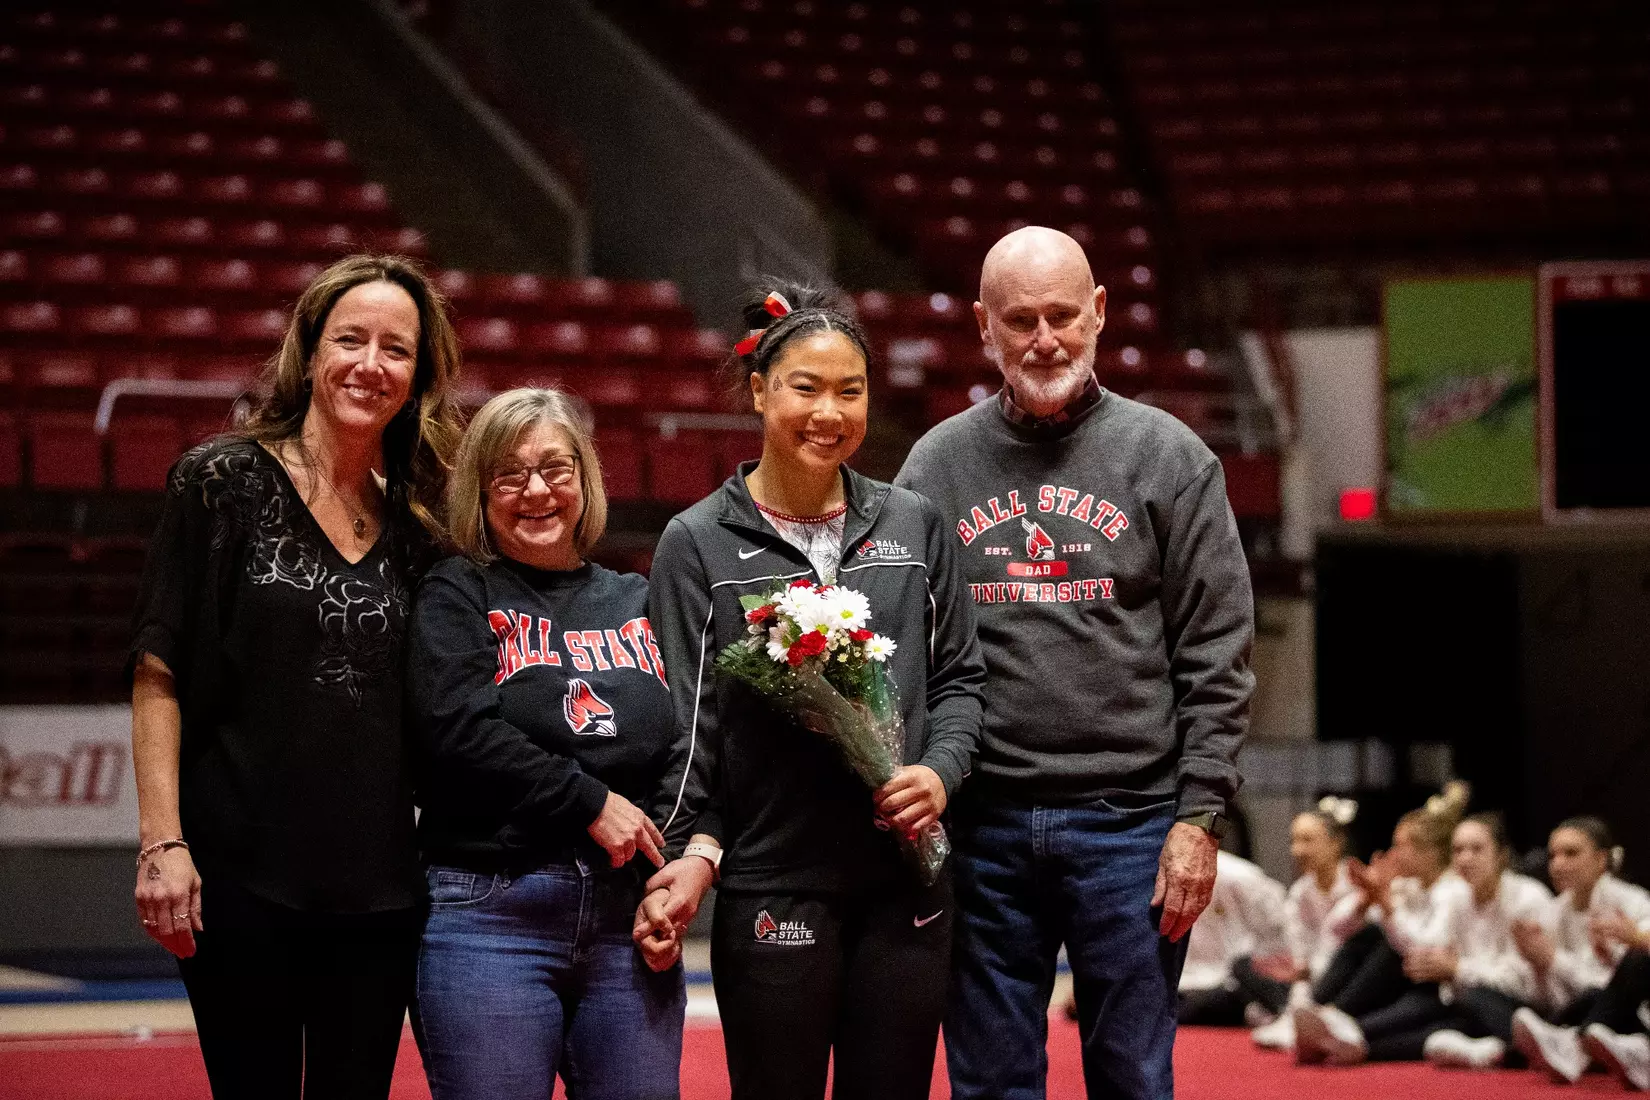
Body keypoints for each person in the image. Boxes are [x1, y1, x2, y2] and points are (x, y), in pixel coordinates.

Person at [893, 225, 1254, 1100]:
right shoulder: (935, 466)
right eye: (1021, 321)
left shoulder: (1172, 457)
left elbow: (1217, 651)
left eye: (1063, 315)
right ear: (984, 327)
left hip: (1130, 825)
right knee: (991, 1081)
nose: (1044, 338)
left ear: (1098, 314)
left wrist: (1198, 818)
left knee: (1132, 1077)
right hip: (980, 829)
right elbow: (904, 650)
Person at [638, 280, 987, 1100]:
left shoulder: (914, 525)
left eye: (851, 391)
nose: (829, 411)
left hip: (908, 887)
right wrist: (689, 851)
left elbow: (962, 681)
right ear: (758, 390)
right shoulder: (697, 543)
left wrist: (939, 774)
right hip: (773, 881)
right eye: (806, 387)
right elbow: (691, 725)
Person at [129, 254, 464, 1098]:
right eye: (350, 338)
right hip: (240, 883)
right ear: (309, 352)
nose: (370, 364)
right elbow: (158, 674)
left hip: (381, 893)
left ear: (420, 374)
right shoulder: (221, 482)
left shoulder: (424, 529)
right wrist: (162, 844)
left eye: (397, 348)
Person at [406, 388, 688, 1100]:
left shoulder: (635, 597)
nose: (537, 490)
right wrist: (588, 800)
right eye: (509, 474)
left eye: (556, 469)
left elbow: (681, 742)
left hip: (629, 921)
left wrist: (673, 872)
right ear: (481, 490)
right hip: (490, 912)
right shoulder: (458, 591)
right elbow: (455, 730)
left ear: (585, 479)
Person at [1296, 810, 1554, 1069]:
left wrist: (1456, 969)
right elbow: (1343, 930)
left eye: (1476, 849)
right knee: (1394, 1036)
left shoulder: (1527, 897)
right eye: (1459, 850)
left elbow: (1527, 986)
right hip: (1457, 998)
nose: (1465, 858)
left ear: (1501, 855)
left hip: (1511, 1008)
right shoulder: (1458, 896)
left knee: (1465, 998)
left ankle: (1335, 1021)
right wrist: (1369, 898)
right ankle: (1335, 1033)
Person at [1288, 783, 1465, 1063]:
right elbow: (1337, 928)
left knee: (1372, 1027)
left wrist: (1385, 904)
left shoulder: (1452, 892)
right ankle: (1324, 1012)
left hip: (1436, 993)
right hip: (1406, 986)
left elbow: (1424, 952)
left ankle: (1333, 1020)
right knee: (1369, 934)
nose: (1393, 853)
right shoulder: (1409, 887)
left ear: (1429, 852)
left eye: (1400, 846)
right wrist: (1367, 898)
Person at [1512, 817, 1650, 1086]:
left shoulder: (1632, 902)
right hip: (1590, 1014)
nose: (1558, 864)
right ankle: (1579, 1044)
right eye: (1553, 855)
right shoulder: (1552, 912)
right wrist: (1538, 965)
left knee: (1632, 963)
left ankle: (1573, 1047)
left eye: (1571, 854)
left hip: (1626, 1012)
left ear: (1601, 859)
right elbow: (1552, 999)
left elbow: (1616, 985)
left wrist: (1636, 938)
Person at [1242, 798, 1362, 1048]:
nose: (1297, 850)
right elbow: (1300, 960)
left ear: (1336, 842)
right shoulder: (1299, 894)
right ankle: (1293, 1014)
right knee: (1243, 966)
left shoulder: (1358, 886)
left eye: (1307, 840)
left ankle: (1303, 1016)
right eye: (1294, 841)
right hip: (1310, 981)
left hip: (1349, 981)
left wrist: (1305, 978)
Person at [1176, 851, 1288, 1026]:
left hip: (1230, 981)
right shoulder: (1155, 873)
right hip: (1183, 982)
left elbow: (1276, 928)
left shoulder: (1241, 876)